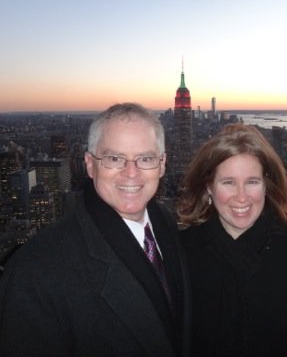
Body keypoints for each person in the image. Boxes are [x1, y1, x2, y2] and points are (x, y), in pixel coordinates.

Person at [0, 102, 191, 357]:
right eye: (114, 158)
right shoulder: (34, 272)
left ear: (162, 163)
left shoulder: (166, 223)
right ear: (90, 164)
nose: (131, 173)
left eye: (145, 158)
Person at [177, 123, 287, 357]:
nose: (241, 196)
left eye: (252, 182)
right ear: (209, 187)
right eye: (228, 182)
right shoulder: (183, 249)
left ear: (266, 186)